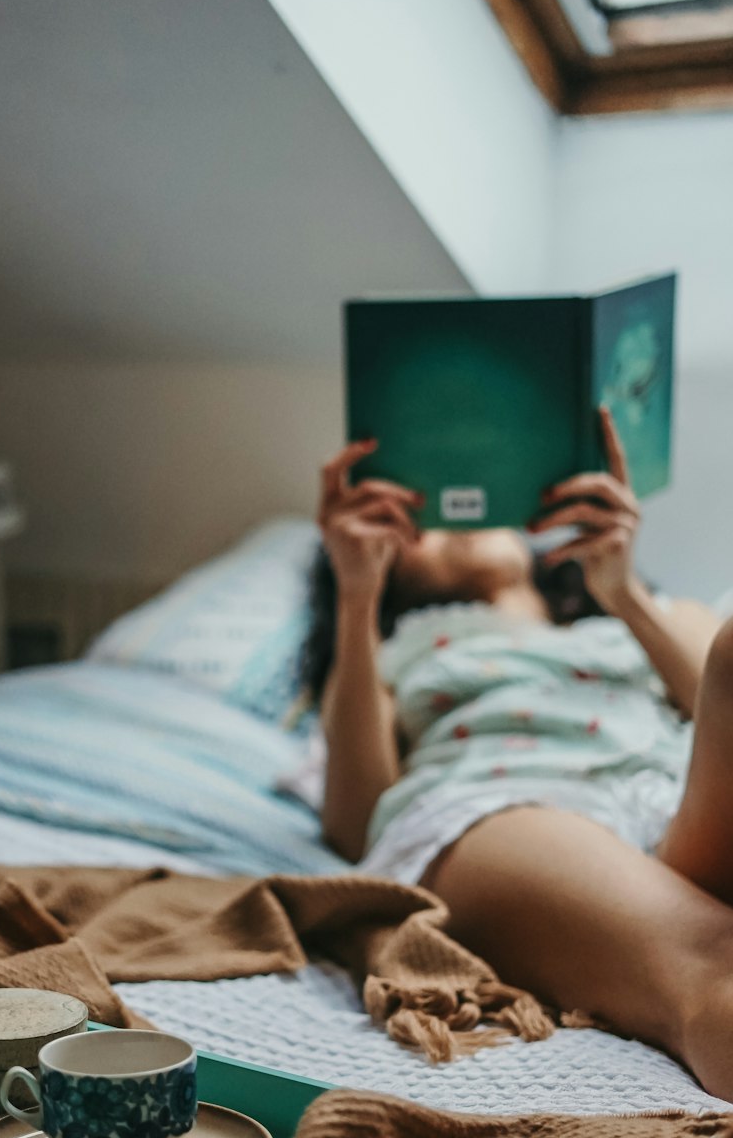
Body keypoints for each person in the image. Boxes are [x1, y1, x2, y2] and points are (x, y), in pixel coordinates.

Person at [309, 406, 733, 1101]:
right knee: (714, 957)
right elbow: (355, 821)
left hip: (679, 796)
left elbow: (710, 702)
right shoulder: (389, 654)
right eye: (430, 512)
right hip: (516, 806)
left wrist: (623, 592)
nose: (463, 518)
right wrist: (359, 597)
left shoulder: (643, 616)